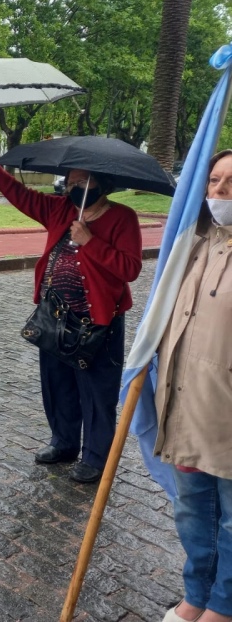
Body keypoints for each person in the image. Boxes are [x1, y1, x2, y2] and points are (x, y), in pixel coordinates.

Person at [0, 141, 142, 483]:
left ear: (102, 184)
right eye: (71, 182)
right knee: (58, 383)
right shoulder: (60, 209)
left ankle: (95, 456)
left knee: (96, 389)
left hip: (97, 322)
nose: (74, 188)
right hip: (55, 317)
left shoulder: (123, 218)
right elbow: (22, 196)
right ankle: (64, 442)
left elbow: (130, 269)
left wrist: (91, 241)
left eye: (82, 182)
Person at [153, 150, 232, 622]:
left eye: (231, 183)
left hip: (225, 410)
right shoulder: (193, 242)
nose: (219, 192)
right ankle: (196, 595)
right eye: (213, 180)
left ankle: (223, 604)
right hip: (184, 404)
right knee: (192, 512)